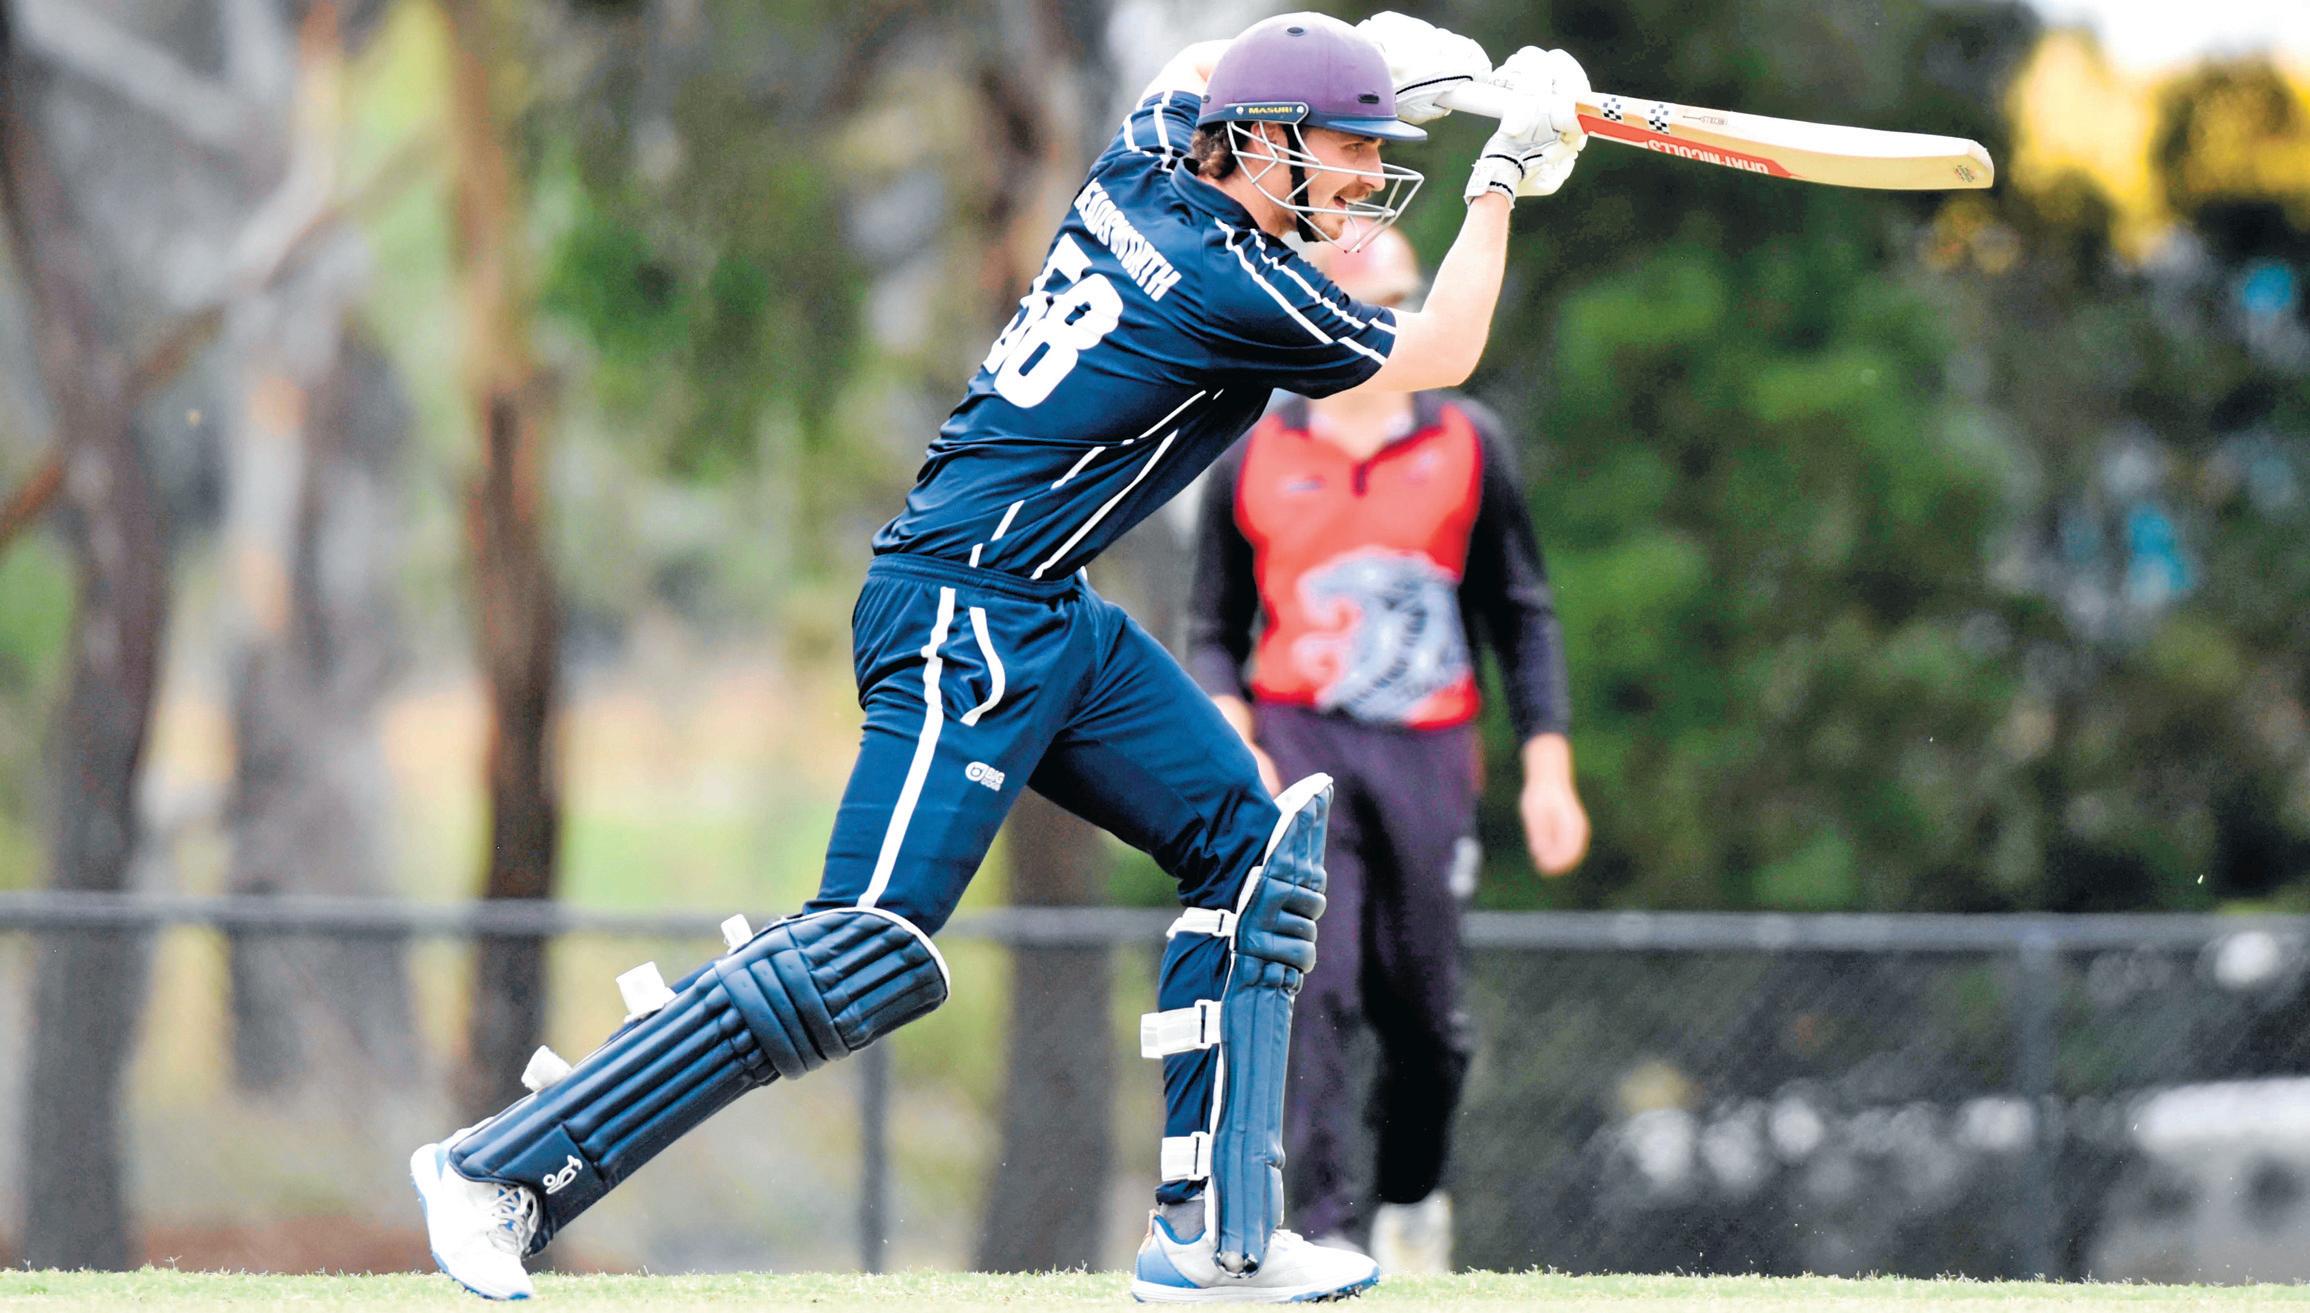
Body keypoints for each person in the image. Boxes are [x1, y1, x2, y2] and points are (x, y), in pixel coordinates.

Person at [407, 11, 1591, 1303]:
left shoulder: (1149, 162)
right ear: (1264, 146)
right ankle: (498, 1170)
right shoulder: (1233, 282)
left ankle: (1217, 1234)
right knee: (865, 944)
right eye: (1351, 148)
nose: (1367, 178)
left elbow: (1191, 70)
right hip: (958, 610)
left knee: (1252, 852)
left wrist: (1359, 55)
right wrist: (1497, 179)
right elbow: (1441, 351)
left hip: (1045, 608)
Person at [1184, 222, 1590, 1275]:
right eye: (1344, 308)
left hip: (1430, 750)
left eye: (1389, 309)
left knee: (1425, 1014)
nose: (1367, 330)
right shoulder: (1251, 450)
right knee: (1308, 988)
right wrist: (1237, 736)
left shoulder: (1469, 443)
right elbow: (1213, 627)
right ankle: (1318, 1230)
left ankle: (1411, 1195)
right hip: (1297, 743)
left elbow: (1521, 612)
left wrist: (1548, 766)